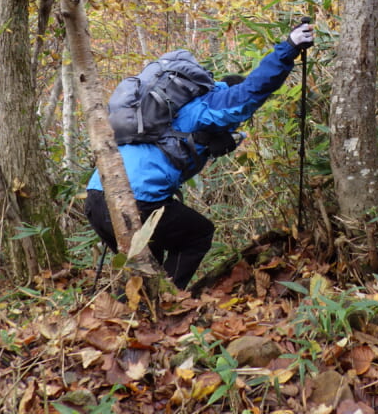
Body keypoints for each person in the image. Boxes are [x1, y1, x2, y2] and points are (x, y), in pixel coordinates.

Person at [84, 22, 315, 290]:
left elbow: (175, 146)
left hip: (98, 196)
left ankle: (141, 317)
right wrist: (289, 48)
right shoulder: (209, 106)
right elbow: (252, 90)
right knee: (198, 234)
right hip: (136, 202)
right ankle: (171, 303)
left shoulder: (168, 113)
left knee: (149, 266)